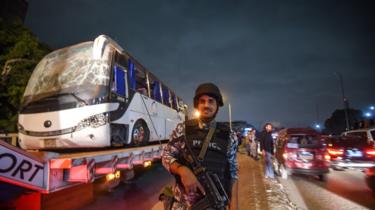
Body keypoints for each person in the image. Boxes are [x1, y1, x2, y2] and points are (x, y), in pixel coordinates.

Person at [161, 83, 239, 210]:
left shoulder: (229, 136)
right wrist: (182, 170)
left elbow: (233, 173)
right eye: (202, 101)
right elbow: (166, 155)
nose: (206, 105)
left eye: (211, 101)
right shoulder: (183, 129)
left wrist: (234, 205)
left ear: (217, 105)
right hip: (183, 204)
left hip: (216, 204)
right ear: (197, 105)